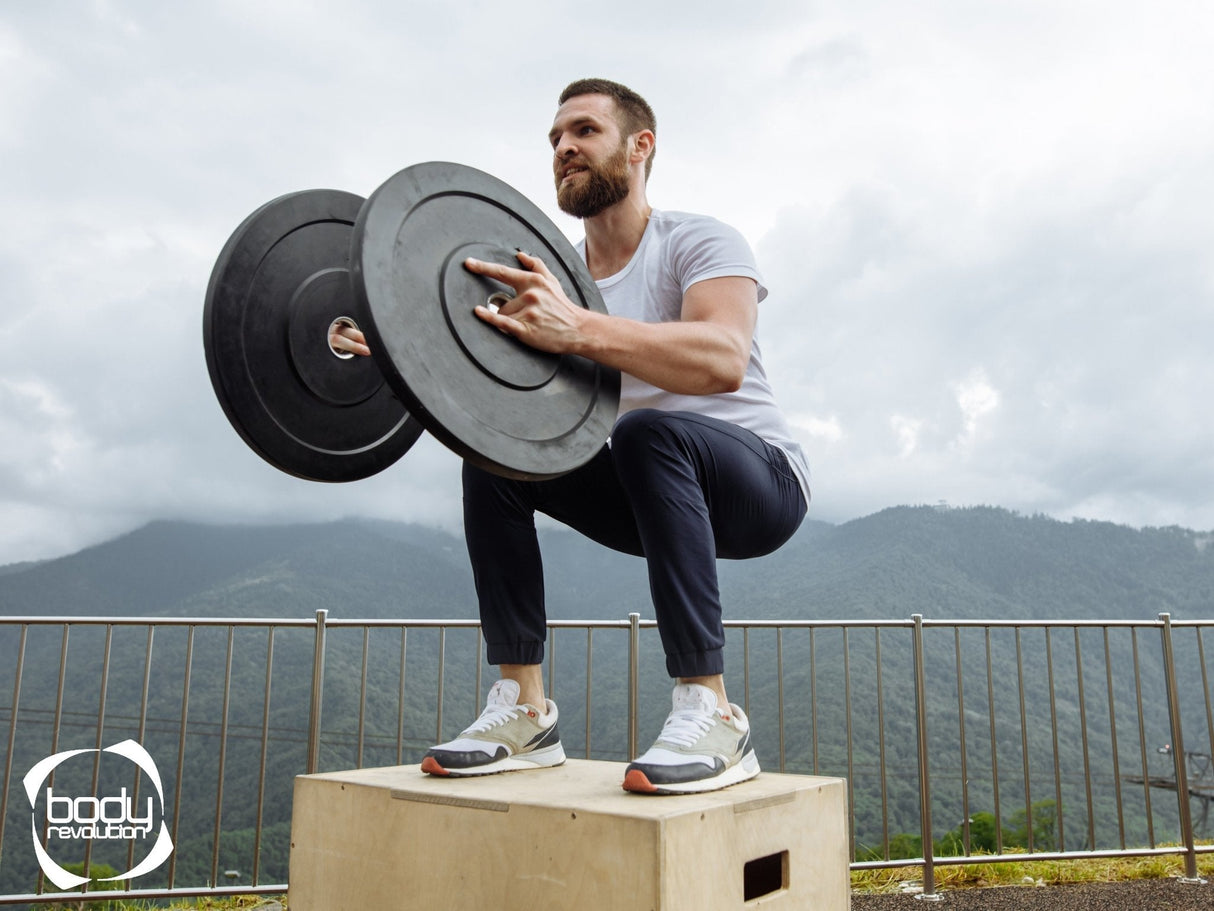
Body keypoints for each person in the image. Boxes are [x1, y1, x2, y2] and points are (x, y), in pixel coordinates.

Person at [333, 78, 811, 795]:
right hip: (652, 492)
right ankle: (525, 707)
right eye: (555, 139)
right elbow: (475, 367)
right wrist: (392, 342)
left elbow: (721, 358)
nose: (564, 149)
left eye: (584, 131)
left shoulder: (698, 241)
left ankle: (711, 710)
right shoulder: (549, 277)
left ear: (640, 146)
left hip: (760, 483)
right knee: (495, 457)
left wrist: (579, 328)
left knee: (651, 432)